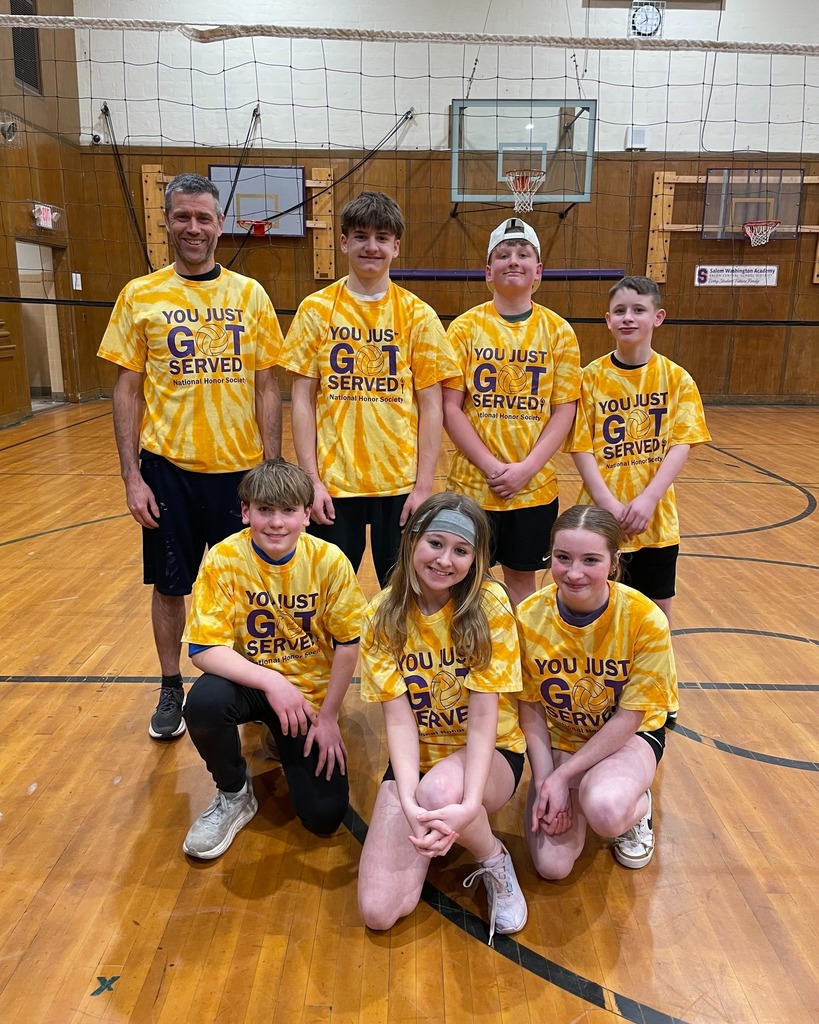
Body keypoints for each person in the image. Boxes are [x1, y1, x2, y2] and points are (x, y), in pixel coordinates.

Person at [98, 172, 284, 741]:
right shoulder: (140, 294)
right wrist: (132, 477)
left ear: (219, 225)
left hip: (240, 473)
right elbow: (126, 390)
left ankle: (258, 686)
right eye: (184, 217)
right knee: (171, 585)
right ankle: (170, 685)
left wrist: (270, 472)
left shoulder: (249, 295)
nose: (194, 227)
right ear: (168, 222)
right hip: (168, 469)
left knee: (252, 586)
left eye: (204, 218)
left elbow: (266, 386)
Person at [357, 492, 527, 945]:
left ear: (476, 559)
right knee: (378, 910)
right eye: (435, 543)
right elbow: (398, 721)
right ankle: (437, 825)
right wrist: (409, 803)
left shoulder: (489, 606)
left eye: (461, 551)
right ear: (412, 541)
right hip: (421, 756)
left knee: (440, 791)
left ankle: (492, 856)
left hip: (490, 755)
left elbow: (483, 719)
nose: (445, 560)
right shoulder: (380, 615)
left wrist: (470, 802)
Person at [180, 459, 367, 860]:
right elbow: (203, 650)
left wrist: (331, 716)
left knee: (323, 817)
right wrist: (272, 682)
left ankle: (278, 733)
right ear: (246, 513)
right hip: (248, 682)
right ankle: (233, 794)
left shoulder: (330, 561)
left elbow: (349, 644)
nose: (276, 523)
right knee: (203, 702)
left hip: (308, 695)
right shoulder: (223, 559)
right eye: (264, 510)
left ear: (306, 514)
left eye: (288, 511)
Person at [281, 191, 456, 588]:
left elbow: (432, 407)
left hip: (399, 486)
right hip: (333, 484)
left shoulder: (418, 315)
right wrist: (312, 479)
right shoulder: (316, 309)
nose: (371, 246)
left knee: (404, 599)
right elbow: (303, 399)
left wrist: (424, 487)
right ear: (343, 242)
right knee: (324, 595)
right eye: (360, 236)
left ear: (396, 246)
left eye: (381, 237)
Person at [516, 505, 678, 879]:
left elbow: (630, 717)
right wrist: (544, 781)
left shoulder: (644, 619)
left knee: (605, 808)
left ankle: (634, 803)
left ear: (614, 561)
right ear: (550, 556)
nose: (573, 573)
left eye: (590, 559)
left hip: (627, 738)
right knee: (552, 867)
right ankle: (577, 788)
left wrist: (562, 777)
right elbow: (530, 708)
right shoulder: (527, 618)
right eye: (562, 558)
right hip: (561, 738)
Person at [443, 217, 581, 606]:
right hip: (472, 487)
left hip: (533, 490)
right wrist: (489, 465)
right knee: (463, 581)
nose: (513, 261)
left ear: (538, 271)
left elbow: (564, 409)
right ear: (488, 272)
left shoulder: (558, 331)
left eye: (523, 254)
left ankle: (519, 663)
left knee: (523, 582)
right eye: (503, 255)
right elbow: (451, 408)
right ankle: (467, 657)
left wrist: (527, 469)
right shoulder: (464, 329)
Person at [570, 275, 710, 631]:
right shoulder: (589, 379)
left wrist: (649, 499)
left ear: (657, 317)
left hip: (656, 521)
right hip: (601, 518)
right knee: (597, 607)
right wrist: (607, 503)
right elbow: (581, 447)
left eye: (638, 310)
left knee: (656, 612)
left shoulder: (677, 379)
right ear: (608, 320)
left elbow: (682, 443)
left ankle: (654, 683)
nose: (628, 318)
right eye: (619, 311)